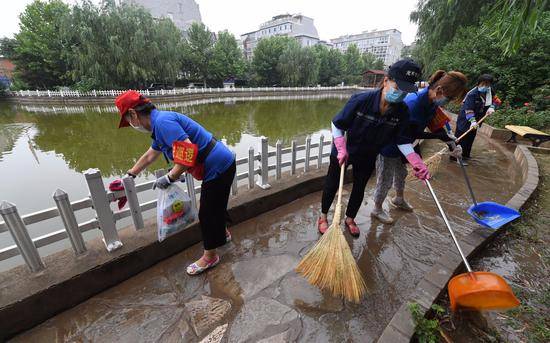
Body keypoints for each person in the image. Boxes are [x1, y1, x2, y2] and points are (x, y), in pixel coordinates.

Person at [113, 90, 235, 275]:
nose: (131, 125)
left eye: (128, 121)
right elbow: (150, 155)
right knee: (215, 205)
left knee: (207, 212)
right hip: (220, 163)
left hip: (218, 165)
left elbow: (187, 152)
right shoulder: (159, 124)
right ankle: (222, 235)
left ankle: (210, 257)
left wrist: (170, 177)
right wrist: (131, 174)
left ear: (133, 114)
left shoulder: (163, 123)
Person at [318, 59, 427, 237]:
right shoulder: (361, 100)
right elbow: (337, 124)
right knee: (331, 184)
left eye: (406, 91)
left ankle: (350, 218)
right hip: (343, 151)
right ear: (386, 81)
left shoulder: (402, 112)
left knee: (359, 187)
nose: (401, 94)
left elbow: (402, 140)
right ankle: (323, 217)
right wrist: (341, 147)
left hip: (368, 154)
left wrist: (416, 161)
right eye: (398, 87)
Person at [372, 70, 468, 224]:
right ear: (439, 91)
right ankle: (376, 208)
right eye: (449, 98)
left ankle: (398, 199)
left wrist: (451, 143)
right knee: (385, 178)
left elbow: (435, 125)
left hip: (407, 145)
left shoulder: (430, 102)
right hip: (389, 144)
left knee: (402, 173)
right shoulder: (413, 103)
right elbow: (409, 132)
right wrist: (438, 136)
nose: (447, 102)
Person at [453, 74, 501, 164]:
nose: (485, 86)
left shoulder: (490, 92)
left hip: (478, 119)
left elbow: (497, 101)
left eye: (487, 84)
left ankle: (465, 155)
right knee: (462, 137)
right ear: (478, 83)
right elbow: (469, 109)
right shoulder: (472, 94)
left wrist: (492, 107)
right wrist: (472, 121)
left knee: (471, 137)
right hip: (465, 118)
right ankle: (456, 157)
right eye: (483, 84)